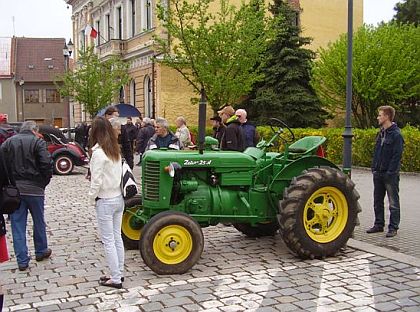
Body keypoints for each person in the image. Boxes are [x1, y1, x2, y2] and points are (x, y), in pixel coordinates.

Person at [1, 121, 53, 271]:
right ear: (34, 130)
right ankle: (41, 250)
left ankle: (22, 260)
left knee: (17, 225)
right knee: (38, 221)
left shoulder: (8, 143)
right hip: (35, 189)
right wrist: (43, 182)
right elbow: (46, 164)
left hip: (15, 190)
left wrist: (8, 184)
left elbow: (2, 165)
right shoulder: (38, 142)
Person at [88, 116, 125, 289]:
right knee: (117, 238)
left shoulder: (98, 153)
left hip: (105, 199)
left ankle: (116, 277)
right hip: (118, 197)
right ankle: (119, 272)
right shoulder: (114, 150)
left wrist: (91, 198)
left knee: (108, 240)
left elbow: (96, 181)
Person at [367, 106, 404, 238]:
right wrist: (374, 168)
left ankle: (393, 227)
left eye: (380, 115)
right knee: (377, 201)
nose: (378, 117)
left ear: (387, 116)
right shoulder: (381, 133)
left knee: (393, 202)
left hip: (390, 175)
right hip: (378, 172)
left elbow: (397, 155)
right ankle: (378, 224)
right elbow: (376, 152)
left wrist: (390, 172)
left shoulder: (396, 135)